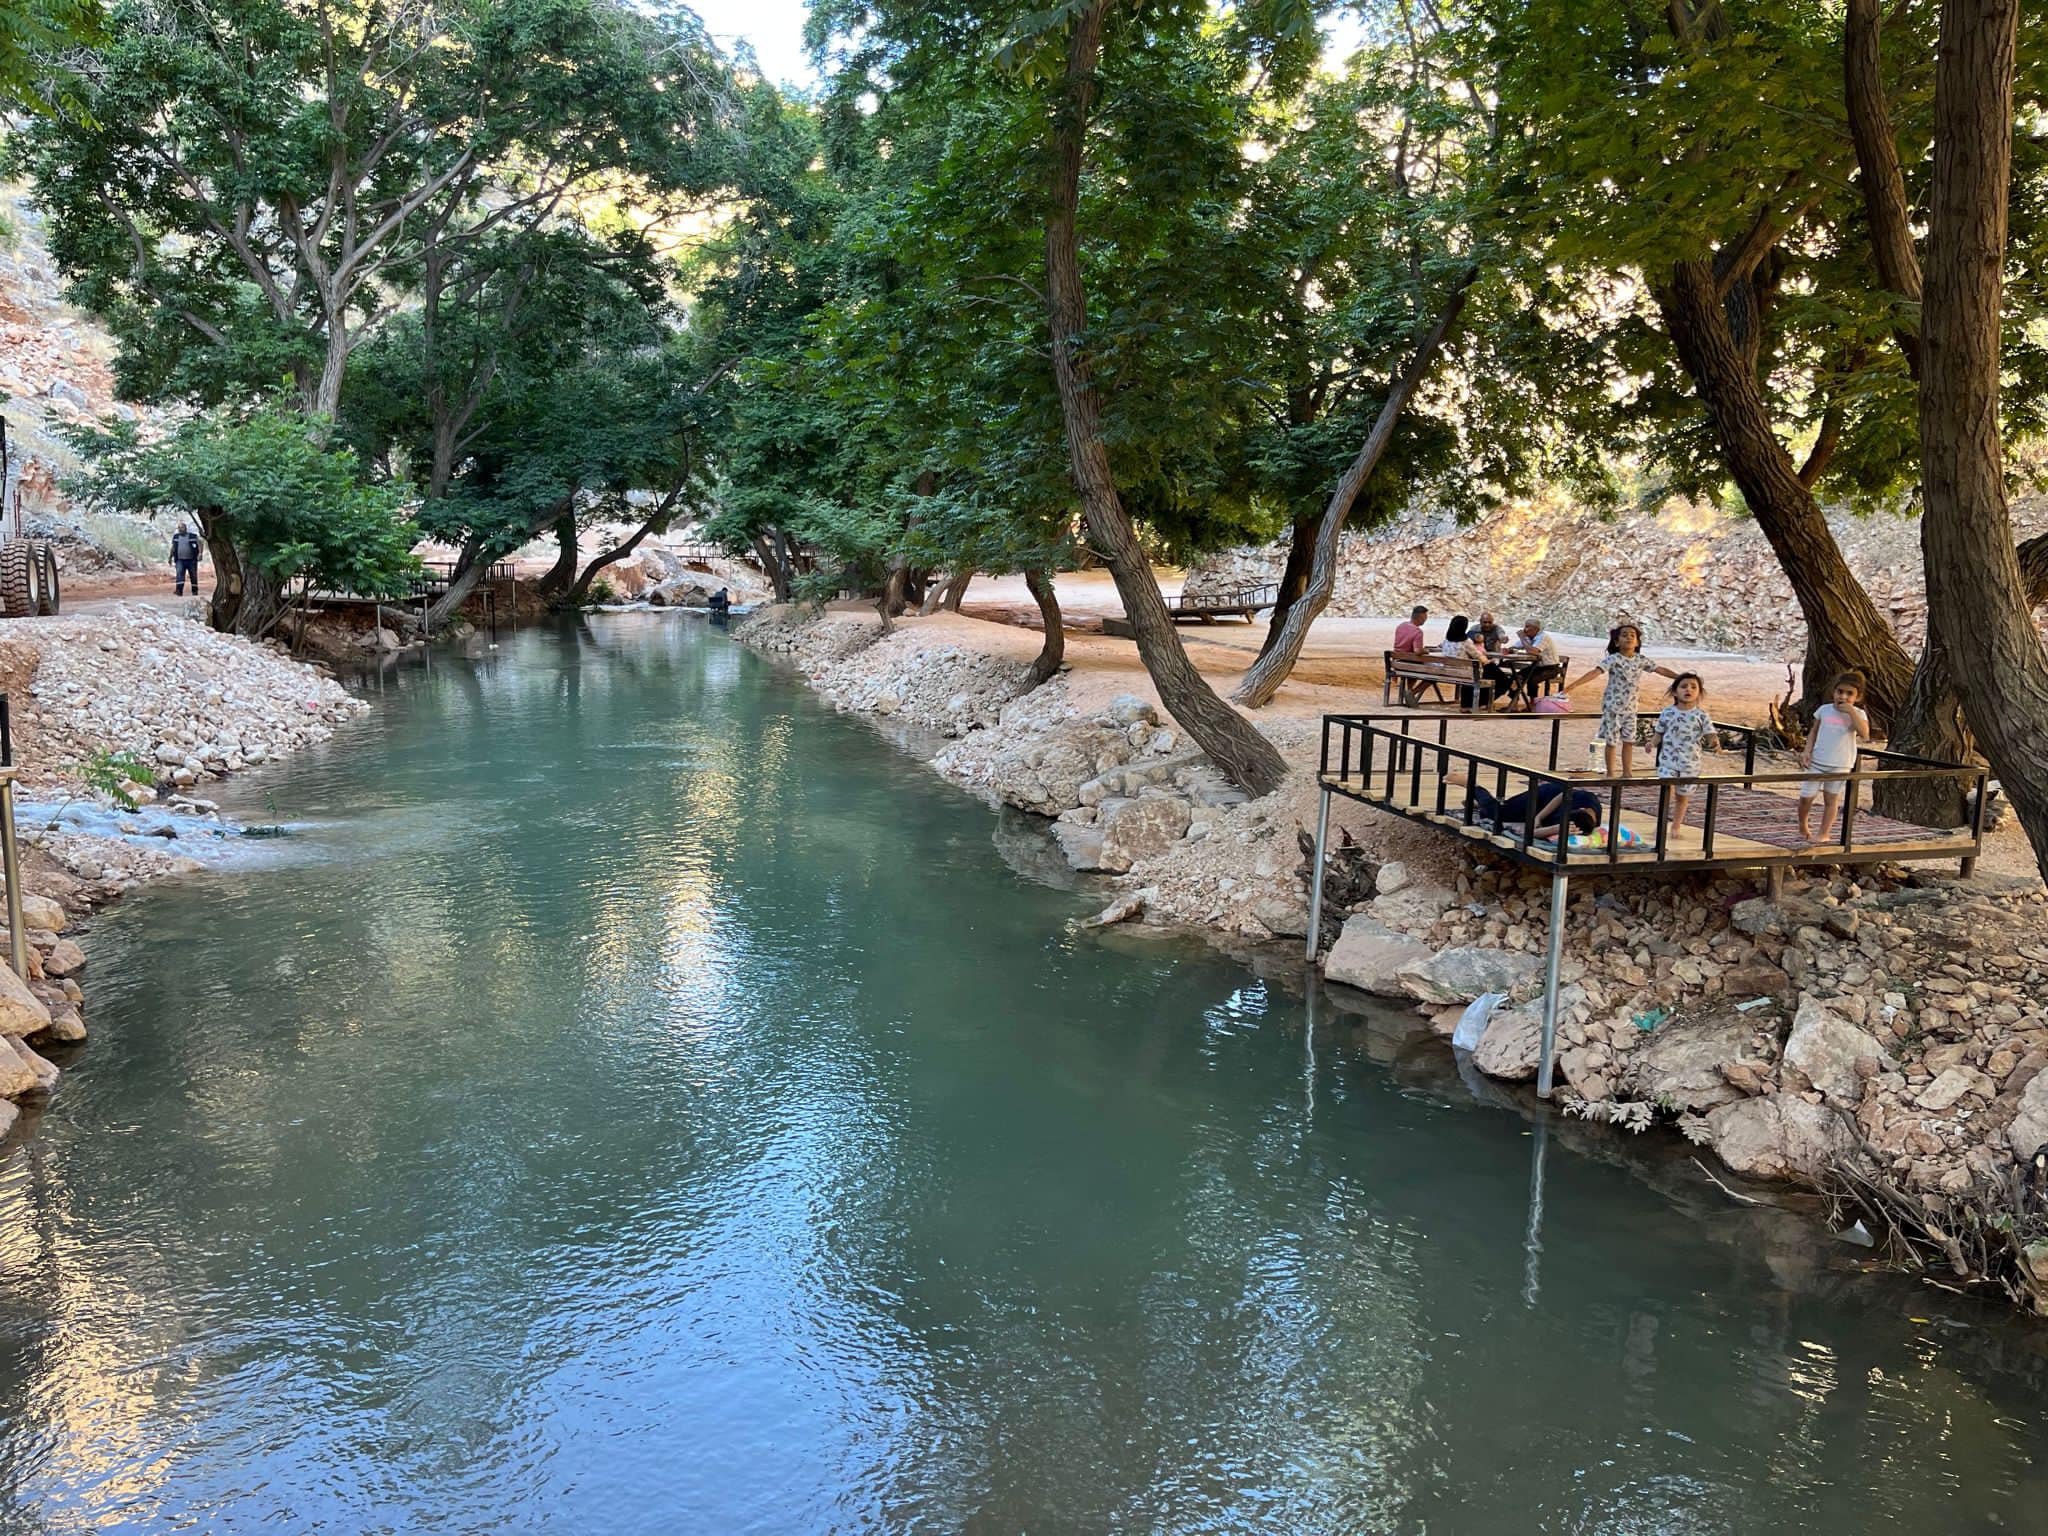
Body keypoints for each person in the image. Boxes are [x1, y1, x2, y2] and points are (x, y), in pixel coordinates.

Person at [1564, 621, 1679, 776]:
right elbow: (1595, 672)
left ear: (1637, 642)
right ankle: (1611, 773)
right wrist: (1573, 686)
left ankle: (1627, 773)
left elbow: (1660, 669)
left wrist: (1679, 677)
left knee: (1629, 741)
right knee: (1611, 742)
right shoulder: (1613, 659)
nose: (1629, 638)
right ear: (1617, 642)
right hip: (1613, 708)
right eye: (1624, 635)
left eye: (1633, 636)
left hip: (1631, 709)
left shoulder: (1641, 660)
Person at [1799, 670, 1871, 844]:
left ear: (1858, 697)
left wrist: (1851, 712)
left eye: (1849, 694)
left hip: (1840, 763)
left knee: (1831, 799)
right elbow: (1814, 731)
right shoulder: (1824, 710)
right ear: (1834, 692)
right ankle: (1803, 824)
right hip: (1817, 760)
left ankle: (1824, 832)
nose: (1843, 697)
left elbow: (1864, 734)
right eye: (1840, 692)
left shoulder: (1859, 715)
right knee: (1806, 797)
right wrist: (1807, 751)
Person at [1443, 768, 1604, 840]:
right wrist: (1539, 818)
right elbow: (1562, 796)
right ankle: (1471, 784)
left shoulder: (1580, 826)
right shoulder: (1588, 802)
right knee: (1498, 812)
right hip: (1546, 797)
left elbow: (1528, 834)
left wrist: (1555, 829)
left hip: (1547, 814)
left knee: (1490, 813)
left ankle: (1480, 804)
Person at [1652, 672, 1721, 837]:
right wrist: (1651, 743)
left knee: (1682, 797)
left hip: (1690, 763)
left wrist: (1715, 744)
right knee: (1666, 790)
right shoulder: (1667, 712)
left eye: (1693, 687)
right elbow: (1659, 733)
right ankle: (1660, 825)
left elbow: (1710, 734)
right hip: (1668, 760)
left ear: (1699, 692)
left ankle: (1676, 826)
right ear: (1675, 692)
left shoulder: (1701, 715)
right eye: (1683, 686)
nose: (1688, 689)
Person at [169, 523, 202, 597]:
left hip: (191, 560)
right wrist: (170, 557)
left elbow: (200, 543)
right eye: (179, 528)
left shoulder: (193, 536)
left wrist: (200, 553)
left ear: (186, 528)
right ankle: (179, 591)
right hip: (180, 560)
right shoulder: (176, 537)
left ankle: (194, 591)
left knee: (193, 575)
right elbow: (173, 547)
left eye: (182, 527)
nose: (180, 529)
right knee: (179, 575)